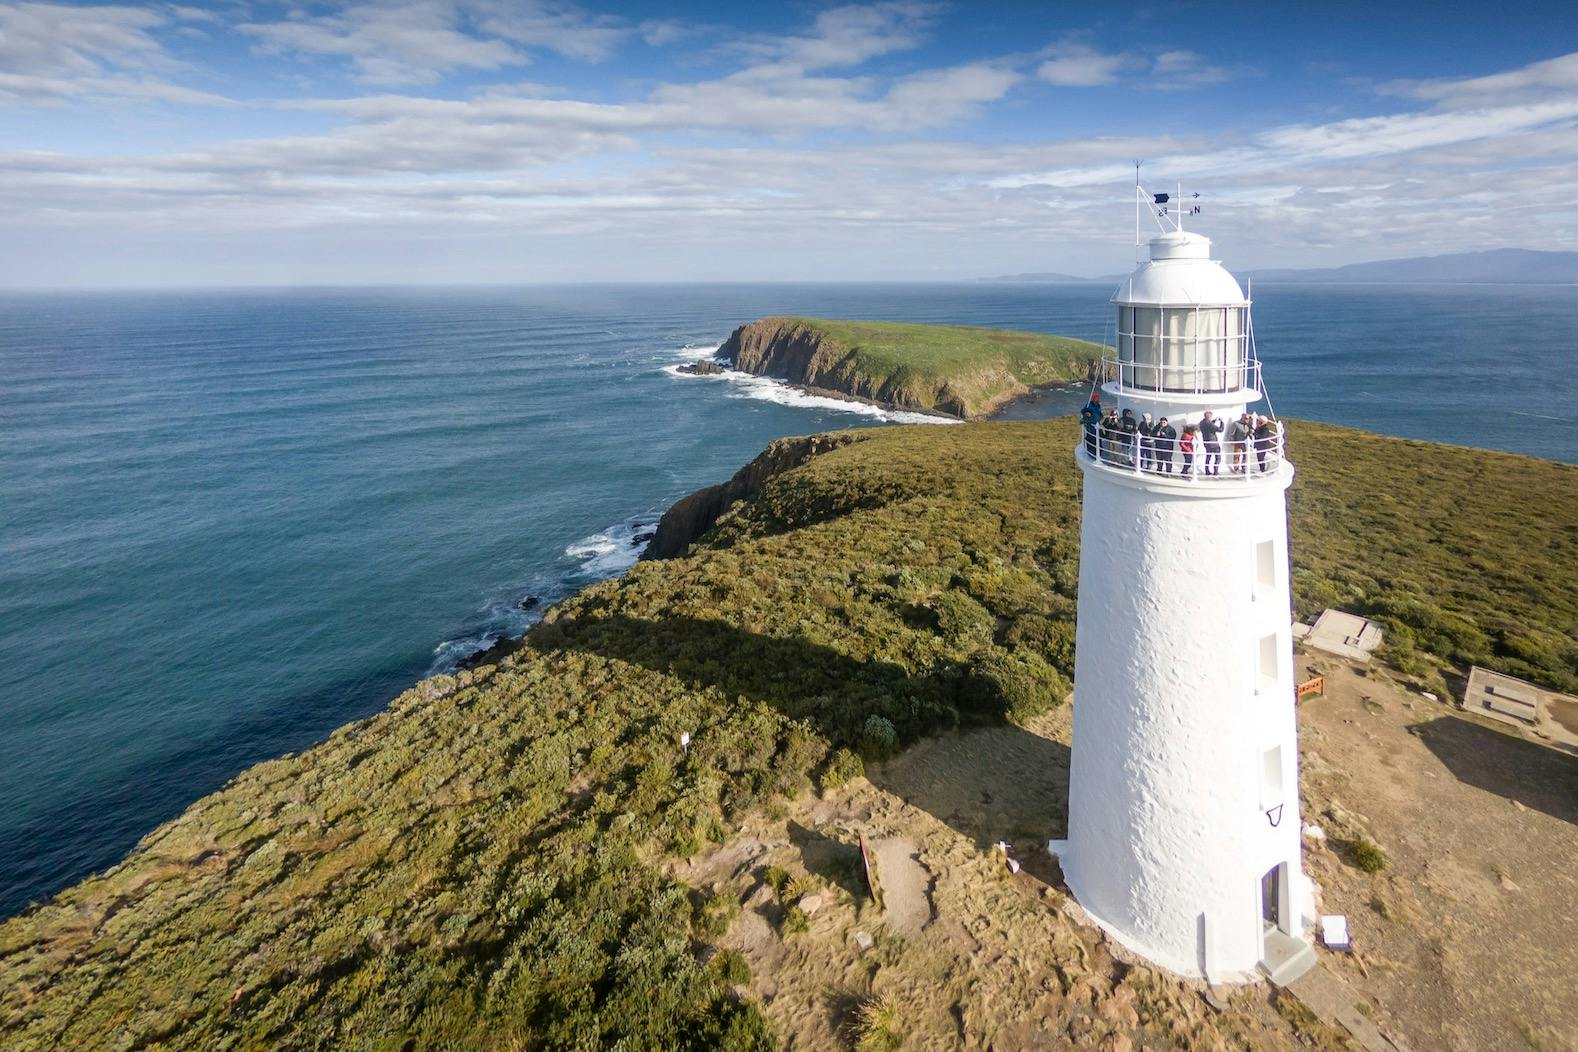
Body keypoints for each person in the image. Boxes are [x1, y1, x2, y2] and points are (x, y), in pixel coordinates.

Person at [1199, 410, 1224, 476]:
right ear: (1209, 417)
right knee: (1218, 458)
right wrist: (1222, 422)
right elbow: (1220, 430)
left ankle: (1207, 471)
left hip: (1206, 443)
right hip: (1214, 444)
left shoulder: (1201, 423)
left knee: (1208, 457)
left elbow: (1210, 425)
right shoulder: (1209, 424)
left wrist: (1214, 421)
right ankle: (1215, 471)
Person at [1079, 391, 1102, 457]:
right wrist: (1087, 414)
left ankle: (1098, 453)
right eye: (1096, 398)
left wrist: (1101, 416)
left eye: (1098, 397)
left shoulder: (1098, 405)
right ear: (1093, 398)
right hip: (1091, 425)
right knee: (1092, 439)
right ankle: (1092, 453)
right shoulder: (1089, 405)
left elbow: (1099, 413)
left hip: (1097, 424)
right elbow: (1083, 411)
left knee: (1098, 439)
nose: (1098, 399)